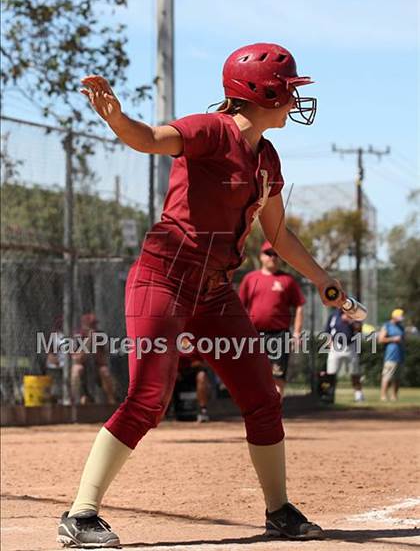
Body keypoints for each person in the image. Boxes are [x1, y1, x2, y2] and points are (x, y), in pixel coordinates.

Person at [58, 43, 347, 547]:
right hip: (162, 279)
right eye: (289, 89)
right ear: (262, 91)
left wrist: (322, 278)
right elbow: (149, 139)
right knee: (148, 398)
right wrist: (117, 118)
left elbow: (277, 235)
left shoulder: (266, 156)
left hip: (213, 292)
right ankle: (80, 514)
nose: (294, 99)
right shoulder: (209, 130)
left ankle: (278, 510)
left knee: (262, 396)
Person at [239, 240, 305, 398]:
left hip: (279, 335)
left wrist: (296, 333)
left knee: (277, 376)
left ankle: (275, 415)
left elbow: (299, 305)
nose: (272, 257)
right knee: (255, 377)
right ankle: (258, 415)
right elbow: (240, 307)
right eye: (268, 253)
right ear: (261, 256)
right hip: (254, 334)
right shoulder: (250, 278)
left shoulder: (287, 280)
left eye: (276, 254)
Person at [71, 313, 116, 405]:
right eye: (91, 325)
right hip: (83, 368)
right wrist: (89, 340)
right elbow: (78, 359)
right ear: (84, 326)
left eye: (95, 325)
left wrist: (95, 345)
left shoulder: (100, 336)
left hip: (95, 367)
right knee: (77, 370)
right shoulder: (77, 336)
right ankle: (78, 399)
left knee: (105, 371)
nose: (94, 327)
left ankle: (111, 399)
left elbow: (103, 360)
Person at [325, 308, 364, 403]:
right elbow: (328, 330)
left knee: (354, 373)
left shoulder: (354, 314)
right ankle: (329, 394)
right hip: (336, 346)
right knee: (331, 373)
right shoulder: (333, 315)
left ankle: (358, 395)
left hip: (350, 346)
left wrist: (350, 321)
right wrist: (329, 342)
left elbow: (359, 329)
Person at [379, 308, 405, 401]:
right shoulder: (387, 326)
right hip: (390, 355)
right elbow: (381, 339)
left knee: (397, 378)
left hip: (400, 355)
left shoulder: (401, 327)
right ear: (394, 317)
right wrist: (393, 339)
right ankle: (383, 396)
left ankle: (394, 396)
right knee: (387, 376)